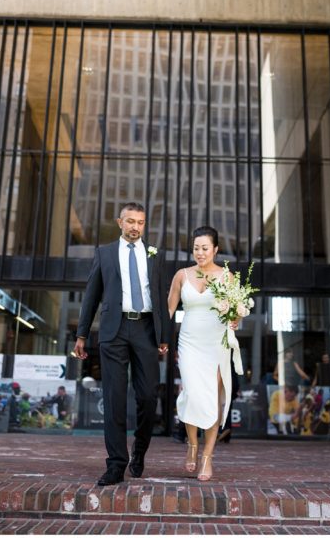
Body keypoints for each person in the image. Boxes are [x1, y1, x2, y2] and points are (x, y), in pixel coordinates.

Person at [75, 202, 170, 486]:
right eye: (130, 221)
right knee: (115, 398)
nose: (135, 227)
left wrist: (164, 336)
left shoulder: (155, 254)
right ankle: (115, 464)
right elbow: (91, 295)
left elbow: (160, 298)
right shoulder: (104, 253)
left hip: (145, 330)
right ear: (120, 222)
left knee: (148, 396)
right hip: (113, 331)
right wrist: (81, 335)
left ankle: (138, 452)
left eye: (140, 222)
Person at [167, 226, 242, 482]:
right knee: (191, 393)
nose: (200, 252)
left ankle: (208, 457)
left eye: (205, 248)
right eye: (196, 248)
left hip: (216, 343)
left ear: (216, 250)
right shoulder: (181, 275)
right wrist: (160, 339)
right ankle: (192, 444)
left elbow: (236, 314)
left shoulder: (227, 277)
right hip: (188, 342)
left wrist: (236, 320)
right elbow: (168, 312)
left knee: (211, 399)